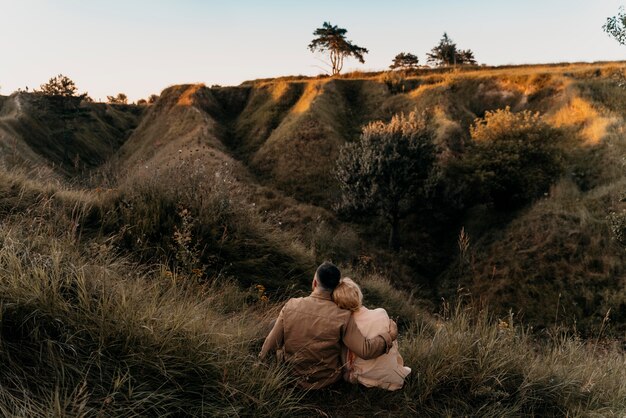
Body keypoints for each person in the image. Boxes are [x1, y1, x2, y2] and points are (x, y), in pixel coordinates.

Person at [259, 262, 398, 389]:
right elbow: (365, 350)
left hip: (292, 378)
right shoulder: (343, 316)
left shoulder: (291, 305)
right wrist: (390, 336)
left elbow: (269, 345)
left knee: (274, 325)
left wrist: (261, 366)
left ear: (314, 283)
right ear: (336, 287)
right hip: (326, 382)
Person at [332, 277, 411, 391]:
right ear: (358, 294)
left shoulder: (348, 326)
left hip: (364, 378)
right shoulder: (381, 313)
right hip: (393, 377)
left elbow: (346, 362)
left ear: (338, 304)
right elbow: (393, 347)